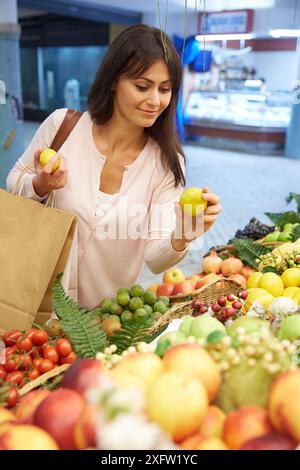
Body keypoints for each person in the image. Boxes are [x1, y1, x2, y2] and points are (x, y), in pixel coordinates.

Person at [7, 24, 221, 310]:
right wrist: (40, 185)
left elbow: (155, 260)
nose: (155, 101)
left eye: (165, 89)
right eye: (142, 86)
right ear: (113, 81)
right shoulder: (63, 127)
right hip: (28, 302)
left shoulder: (166, 164)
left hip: (101, 322)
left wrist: (184, 233)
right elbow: (14, 181)